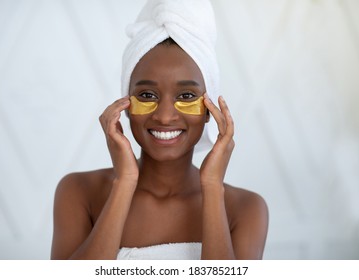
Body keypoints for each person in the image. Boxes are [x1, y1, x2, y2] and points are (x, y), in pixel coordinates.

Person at [51, 0, 268, 260]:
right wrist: (124, 182)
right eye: (147, 94)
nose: (165, 116)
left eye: (186, 95)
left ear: (210, 110)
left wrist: (212, 187)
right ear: (126, 104)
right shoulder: (79, 192)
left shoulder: (245, 209)